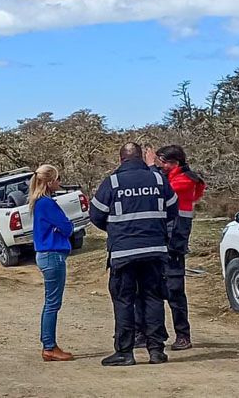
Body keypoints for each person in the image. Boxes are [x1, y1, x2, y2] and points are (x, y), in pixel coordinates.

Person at [89, 142, 179, 366]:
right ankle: (156, 351)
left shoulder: (113, 182)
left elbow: (96, 214)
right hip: (155, 251)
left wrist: (117, 230)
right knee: (153, 299)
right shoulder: (159, 179)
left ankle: (124, 352)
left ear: (121, 160)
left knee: (124, 301)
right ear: (141, 157)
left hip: (123, 253)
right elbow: (172, 210)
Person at [135, 145, 206, 351]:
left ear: (175, 163)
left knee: (175, 291)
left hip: (175, 241)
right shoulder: (173, 177)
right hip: (161, 238)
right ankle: (148, 333)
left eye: (164, 163)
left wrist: (152, 168)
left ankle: (183, 335)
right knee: (148, 288)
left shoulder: (185, 180)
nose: (161, 166)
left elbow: (162, 190)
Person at [30, 164, 75, 362]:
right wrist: (64, 228)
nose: (59, 182)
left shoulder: (39, 202)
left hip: (46, 254)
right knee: (52, 303)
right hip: (52, 255)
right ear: (49, 182)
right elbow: (66, 226)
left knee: (51, 302)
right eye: (57, 179)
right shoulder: (47, 203)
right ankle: (49, 345)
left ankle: (49, 344)